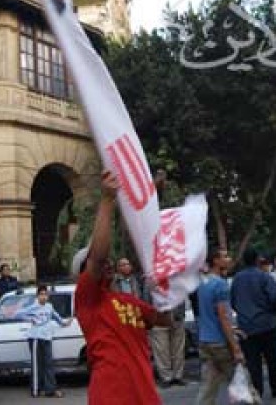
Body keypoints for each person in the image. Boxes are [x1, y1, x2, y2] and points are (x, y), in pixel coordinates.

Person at [72, 170, 171, 405]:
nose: (106, 262)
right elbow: (98, 257)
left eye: (108, 260)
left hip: (145, 396)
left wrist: (164, 290)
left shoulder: (126, 300)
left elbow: (165, 320)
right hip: (111, 396)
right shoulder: (87, 298)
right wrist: (107, 199)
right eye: (96, 262)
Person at [230, 248, 276, 399]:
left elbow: (233, 301)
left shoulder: (237, 279)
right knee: (271, 358)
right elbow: (274, 298)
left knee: (253, 362)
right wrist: (274, 311)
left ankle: (257, 390)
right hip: (266, 324)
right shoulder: (264, 277)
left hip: (246, 326)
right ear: (257, 260)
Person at [195, 248, 246, 405]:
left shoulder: (202, 283)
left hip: (205, 340)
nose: (229, 259)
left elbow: (208, 313)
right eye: (225, 256)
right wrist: (236, 348)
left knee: (208, 387)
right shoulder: (220, 284)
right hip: (220, 342)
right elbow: (223, 317)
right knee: (241, 383)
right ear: (216, 261)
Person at [15, 285, 73, 397]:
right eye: (41, 294)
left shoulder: (49, 306)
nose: (44, 297)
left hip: (47, 337)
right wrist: (31, 319)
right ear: (37, 296)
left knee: (48, 364)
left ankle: (50, 389)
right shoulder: (33, 306)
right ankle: (36, 390)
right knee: (37, 365)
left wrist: (64, 323)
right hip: (35, 338)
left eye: (45, 294)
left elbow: (56, 316)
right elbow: (18, 314)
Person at [151, 300, 187, 388]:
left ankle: (177, 376)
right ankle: (166, 377)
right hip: (158, 316)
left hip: (176, 315)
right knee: (161, 350)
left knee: (178, 349)